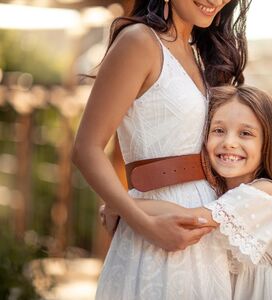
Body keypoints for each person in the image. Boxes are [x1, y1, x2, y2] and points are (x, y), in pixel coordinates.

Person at [72, 0, 250, 298]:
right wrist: (143, 222)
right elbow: (86, 149)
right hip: (154, 235)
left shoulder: (201, 55)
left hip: (203, 237)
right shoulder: (139, 42)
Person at [103, 85, 272, 299]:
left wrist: (121, 204)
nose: (229, 143)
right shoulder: (218, 193)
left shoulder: (265, 192)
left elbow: (192, 217)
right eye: (218, 130)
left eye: (245, 133)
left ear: (267, 144)